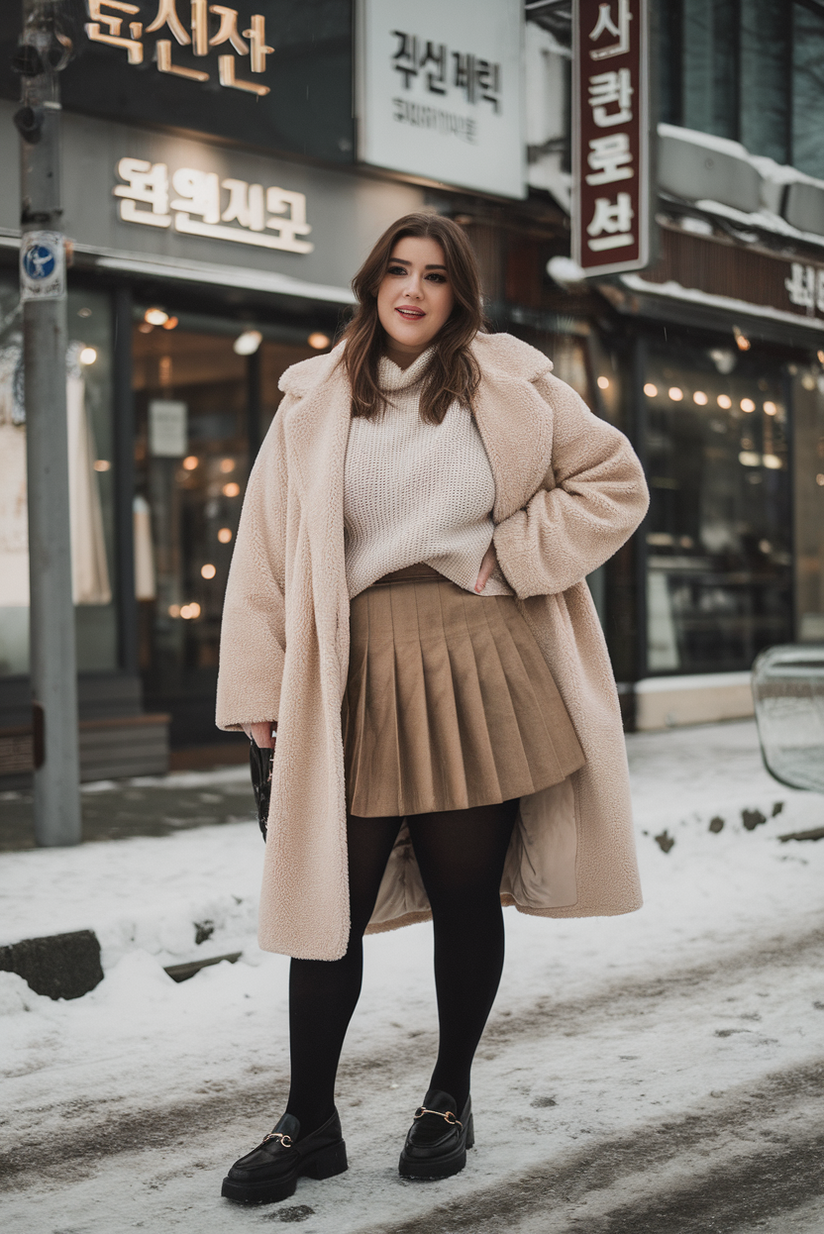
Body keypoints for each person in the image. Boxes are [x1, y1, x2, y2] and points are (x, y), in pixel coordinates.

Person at [215, 212, 649, 1205]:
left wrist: (519, 551)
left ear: (459, 295)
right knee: (328, 907)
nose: (413, 291)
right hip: (351, 669)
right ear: (372, 284)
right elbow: (265, 557)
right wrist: (255, 690)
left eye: (436, 276)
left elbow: (609, 482)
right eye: (398, 272)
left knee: (465, 899)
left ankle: (446, 1098)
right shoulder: (314, 398)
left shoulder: (506, 379)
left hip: (475, 658)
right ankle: (306, 1119)